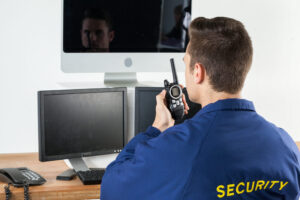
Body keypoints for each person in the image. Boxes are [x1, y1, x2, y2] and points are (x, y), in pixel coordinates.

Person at [100, 17, 300, 200]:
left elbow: (111, 188)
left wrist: (157, 128)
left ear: (198, 72)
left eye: (186, 63)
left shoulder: (176, 148)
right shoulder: (286, 146)